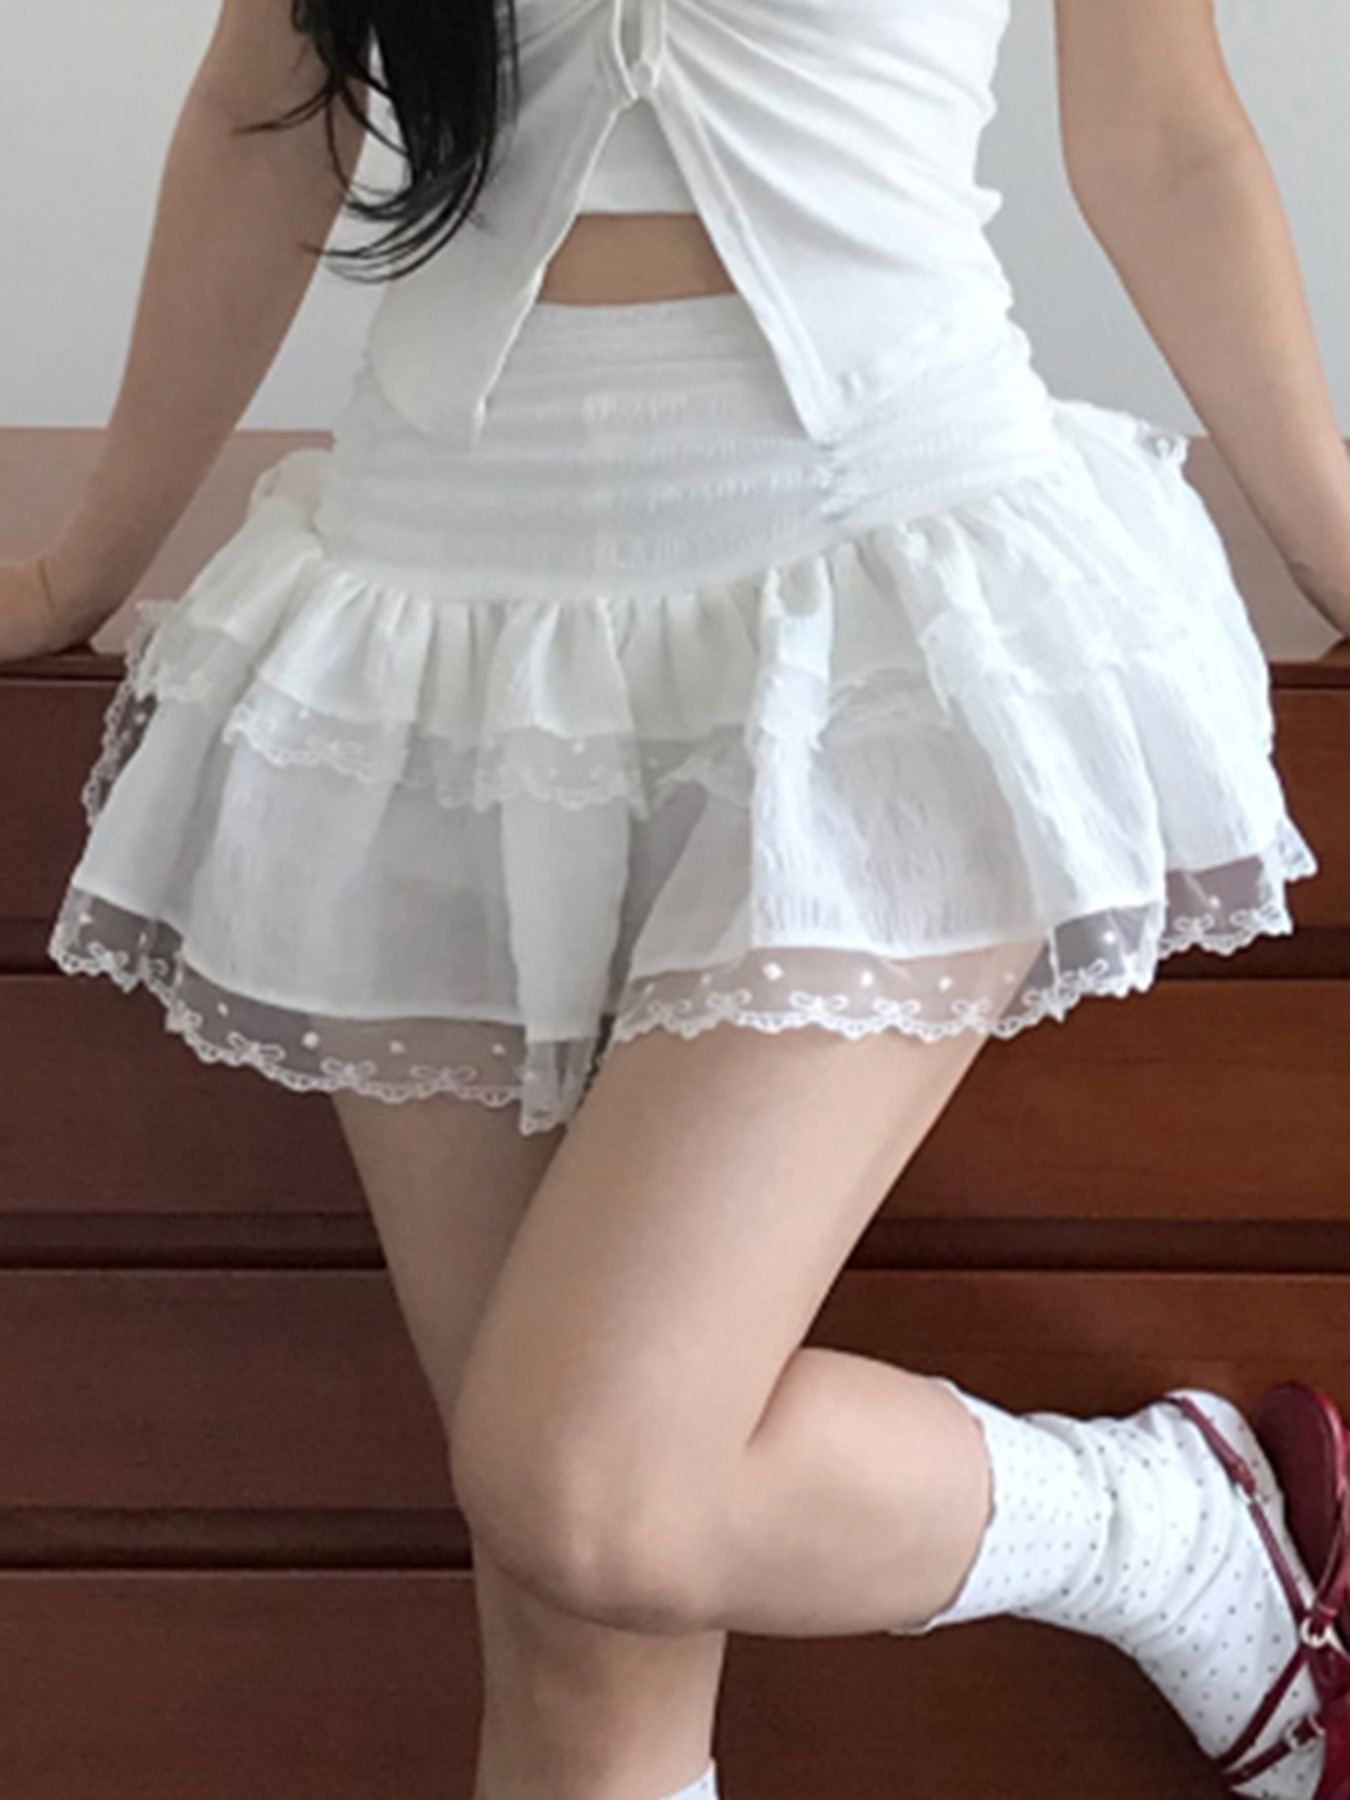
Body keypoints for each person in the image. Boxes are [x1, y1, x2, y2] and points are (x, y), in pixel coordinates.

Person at [6, 1, 1350, 1796]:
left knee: (591, 1484)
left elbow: (1162, 139)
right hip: (442, 648)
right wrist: (81, 564)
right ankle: (1168, 1528)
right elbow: (273, 108)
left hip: (877, 615)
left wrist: (1334, 543)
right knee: (574, 1650)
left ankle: (1164, 1530)